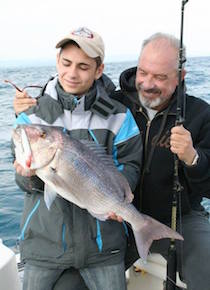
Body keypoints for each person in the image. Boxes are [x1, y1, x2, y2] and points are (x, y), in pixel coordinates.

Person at [12, 27, 142, 290]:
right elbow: (19, 177)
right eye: (66, 63)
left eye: (83, 66)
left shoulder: (119, 115)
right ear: (57, 61)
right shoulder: (32, 117)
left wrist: (118, 198)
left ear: (99, 70)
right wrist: (28, 177)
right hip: (43, 246)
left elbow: (130, 164)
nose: (72, 73)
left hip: (103, 247)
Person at [110, 32, 210, 290]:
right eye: (143, 72)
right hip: (117, 216)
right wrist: (27, 109)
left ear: (181, 77)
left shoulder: (201, 114)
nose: (147, 83)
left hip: (179, 218)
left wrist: (193, 158)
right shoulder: (115, 104)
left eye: (160, 77)